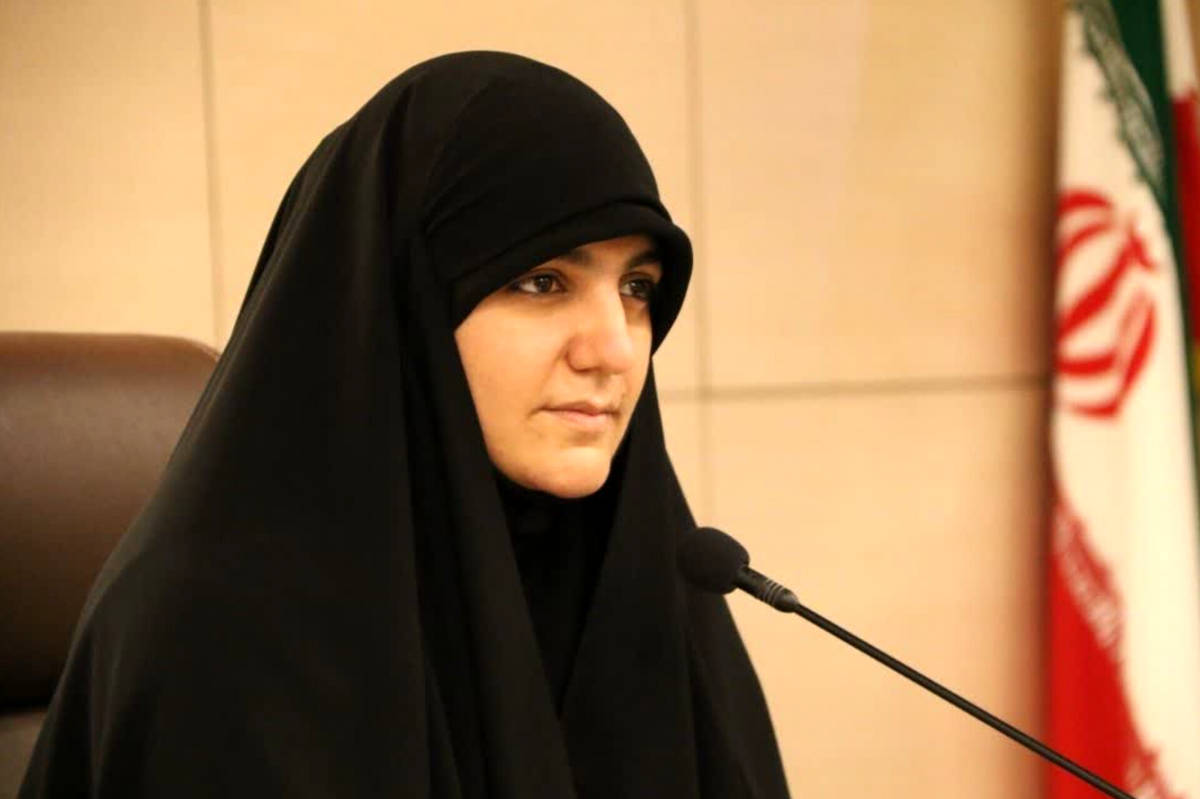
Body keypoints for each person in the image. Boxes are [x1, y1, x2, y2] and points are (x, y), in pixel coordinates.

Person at [20, 51, 790, 798]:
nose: (616, 349)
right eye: (542, 281)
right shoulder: (218, 632)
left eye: (637, 287)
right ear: (403, 305)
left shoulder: (649, 578)